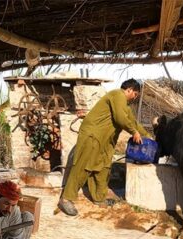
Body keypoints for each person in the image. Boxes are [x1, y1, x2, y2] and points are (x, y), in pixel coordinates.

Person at [58, 79, 150, 216]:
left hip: (106, 141)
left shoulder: (125, 106)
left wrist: (148, 136)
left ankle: (99, 199)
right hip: (93, 135)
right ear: (129, 90)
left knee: (103, 167)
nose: (135, 97)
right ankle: (66, 199)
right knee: (83, 166)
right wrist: (133, 132)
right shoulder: (117, 95)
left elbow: (133, 122)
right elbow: (120, 118)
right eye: (135, 94)